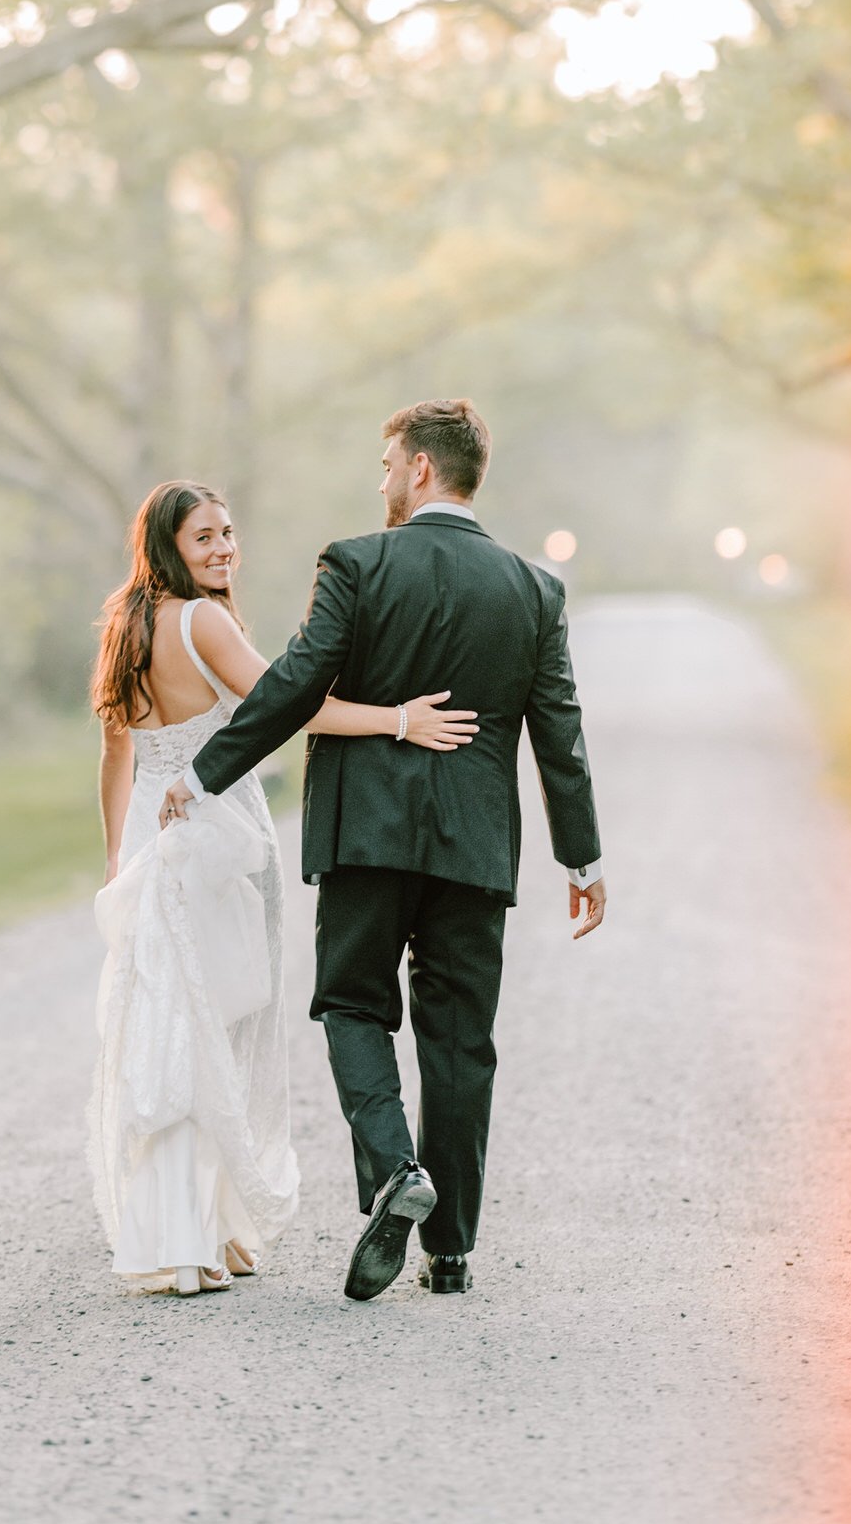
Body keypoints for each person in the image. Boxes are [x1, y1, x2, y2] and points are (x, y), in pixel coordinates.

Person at [162, 399, 603, 1302]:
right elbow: (559, 729)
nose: (382, 481)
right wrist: (581, 858)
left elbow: (294, 682)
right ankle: (449, 1253)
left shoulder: (356, 563)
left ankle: (397, 1168)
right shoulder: (533, 589)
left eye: (389, 464)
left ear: (421, 471)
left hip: (365, 838)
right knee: (458, 1039)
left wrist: (205, 774)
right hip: (475, 851)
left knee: (353, 1005)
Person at [87, 477, 479, 1298]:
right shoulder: (202, 621)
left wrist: (119, 861)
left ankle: (204, 1232)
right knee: (217, 1030)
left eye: (228, 533)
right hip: (218, 844)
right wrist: (399, 719)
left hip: (154, 846)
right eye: (204, 538)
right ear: (168, 547)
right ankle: (204, 1234)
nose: (224, 548)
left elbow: (116, 756)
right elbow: (292, 701)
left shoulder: (127, 625)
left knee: (173, 1030)